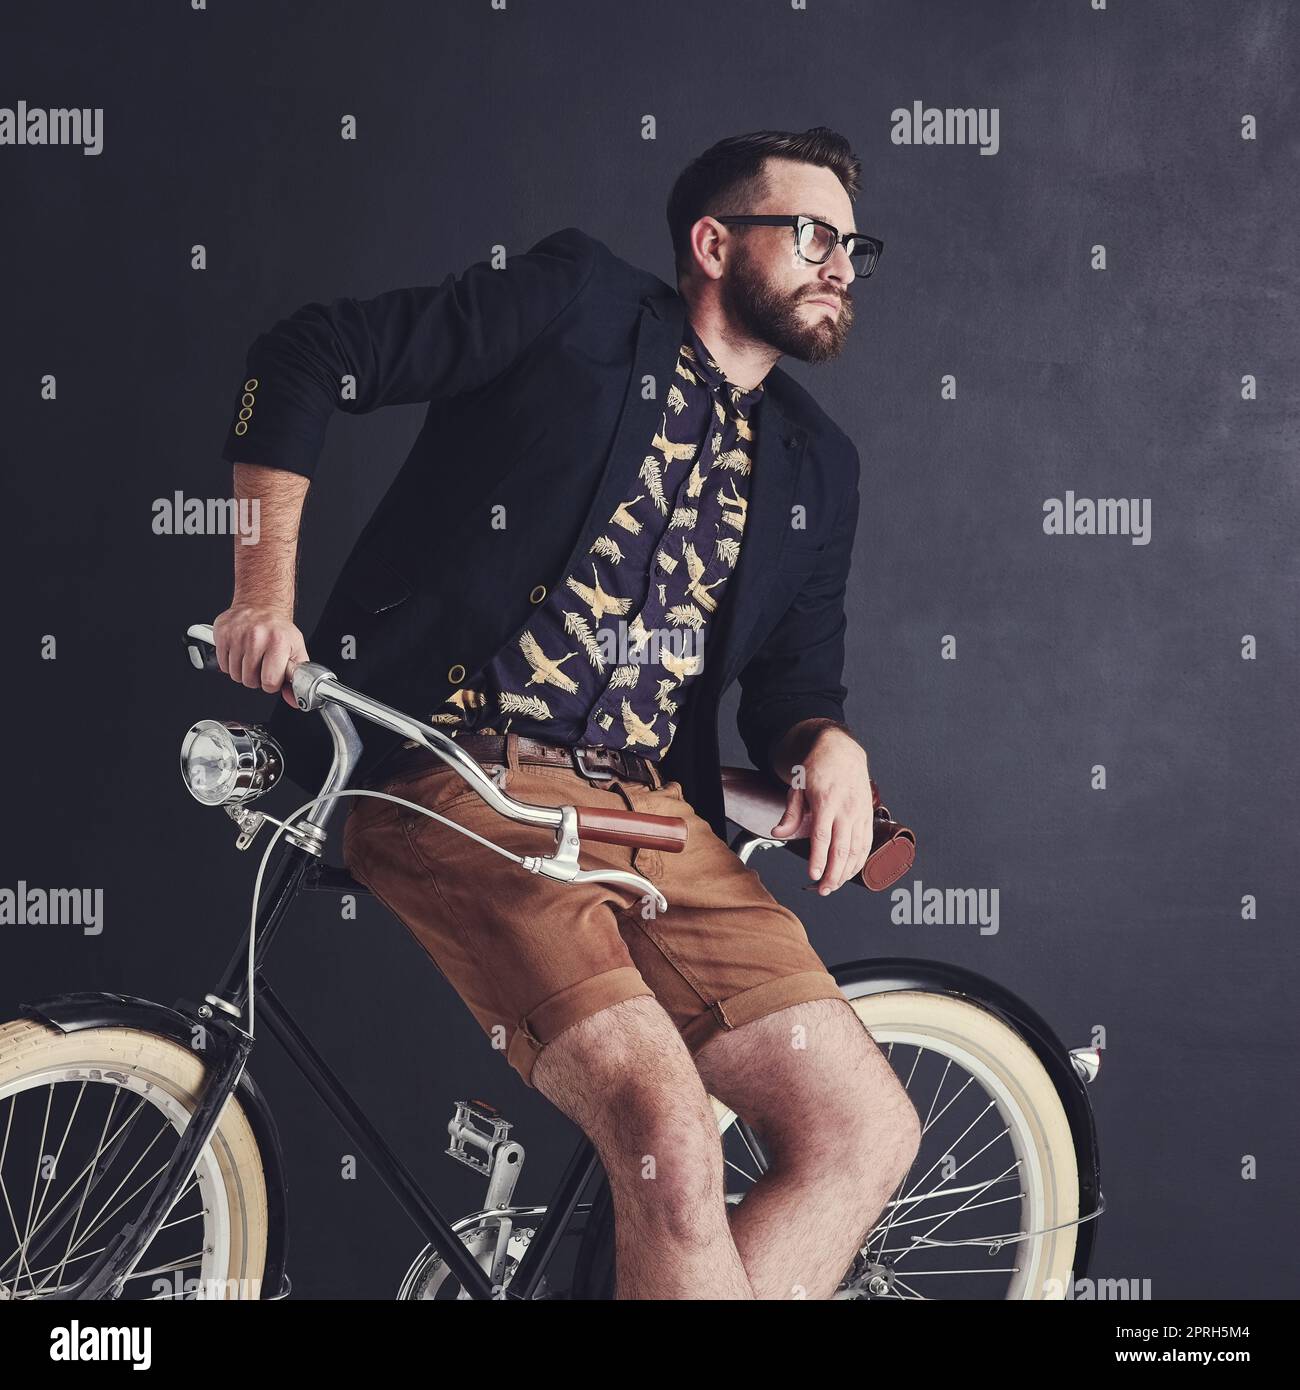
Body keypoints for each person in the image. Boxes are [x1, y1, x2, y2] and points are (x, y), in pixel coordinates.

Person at [213, 126, 921, 1299]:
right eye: (810, 235)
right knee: (669, 1138)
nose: (840, 263)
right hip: (455, 776)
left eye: (852, 245)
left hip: (657, 821)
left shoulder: (818, 464)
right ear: (711, 242)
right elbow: (302, 356)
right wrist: (259, 596)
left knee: (863, 1131)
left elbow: (797, 687)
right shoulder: (575, 305)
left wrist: (827, 742)